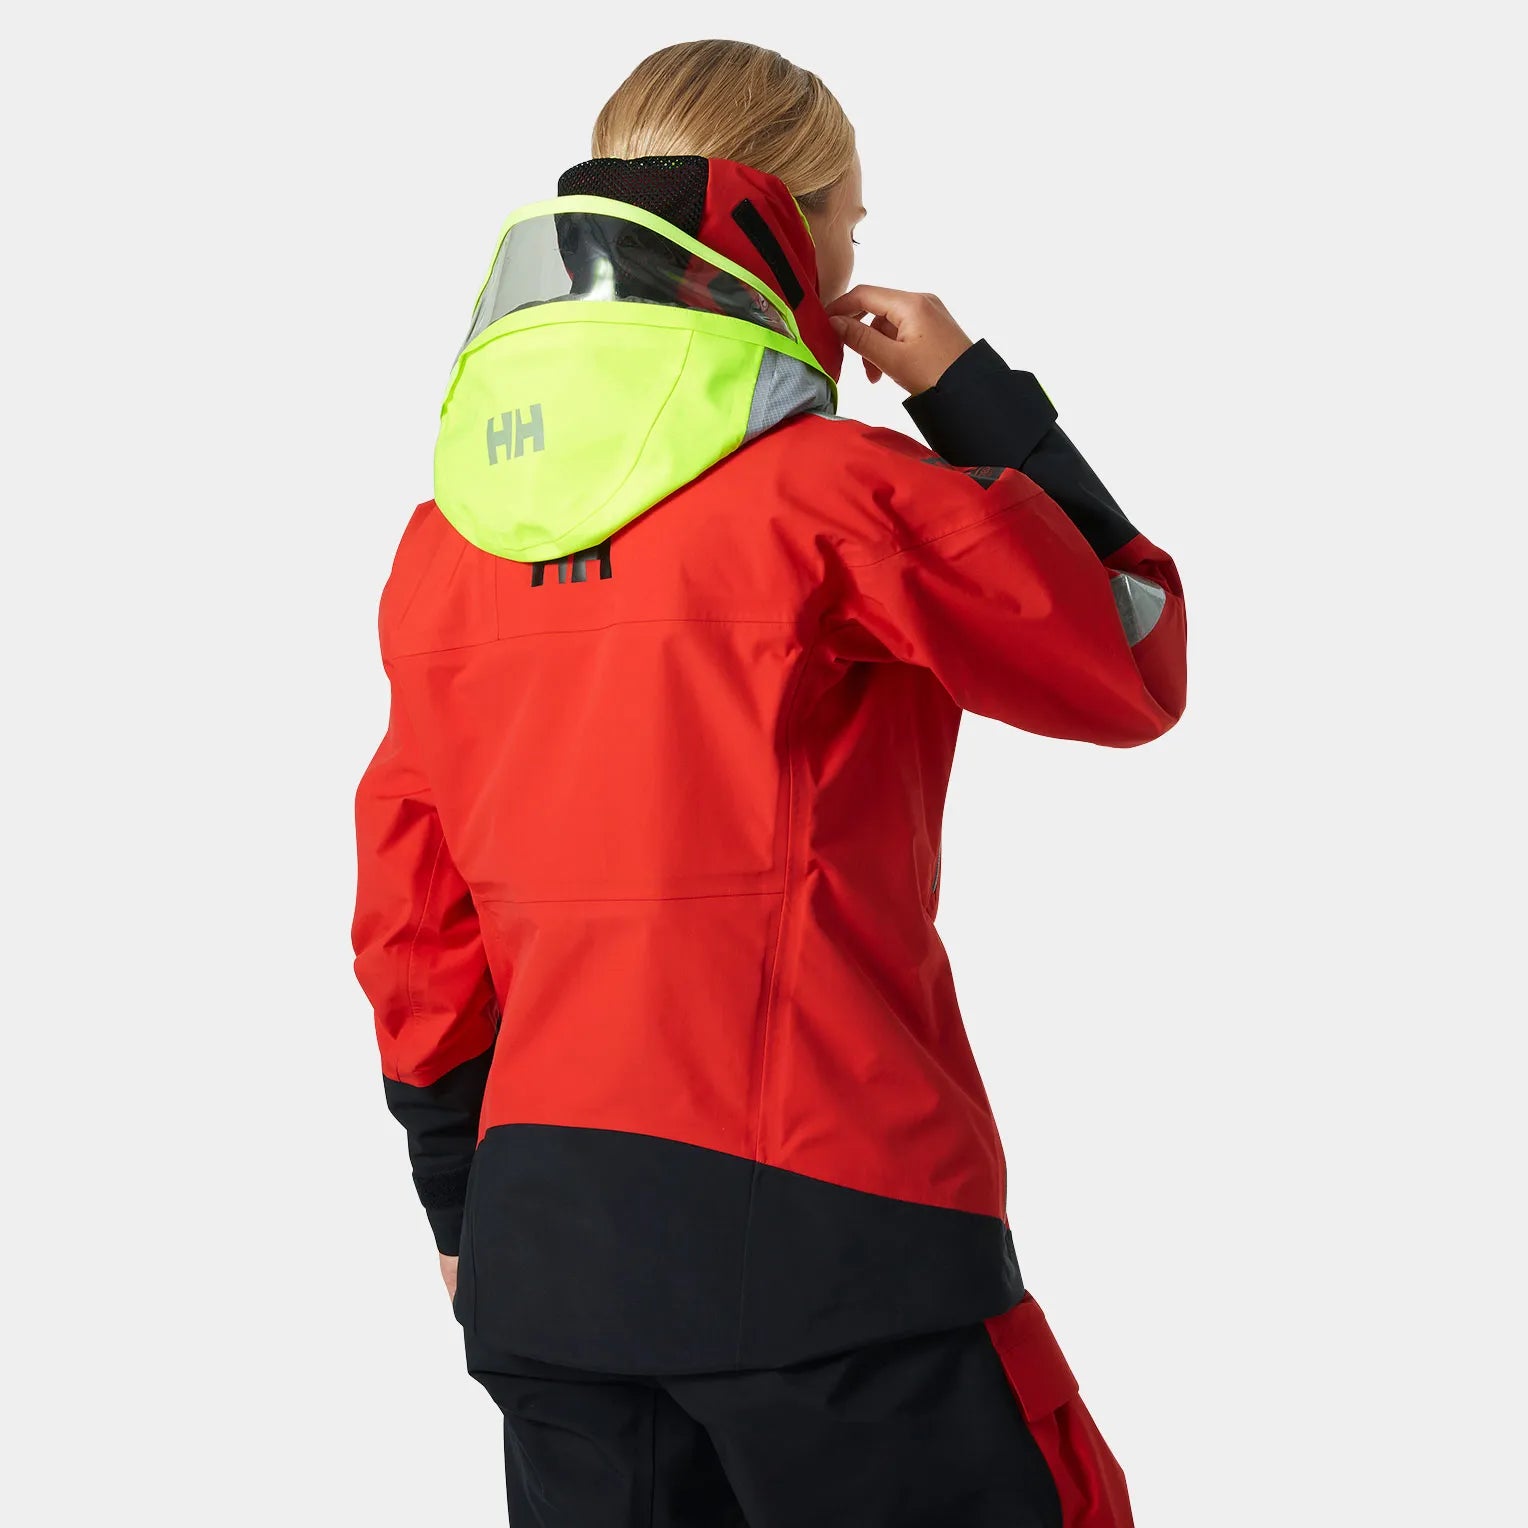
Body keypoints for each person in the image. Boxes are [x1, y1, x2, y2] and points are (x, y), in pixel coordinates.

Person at [352, 37, 1185, 1528]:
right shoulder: (835, 496)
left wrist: (462, 1203)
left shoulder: (444, 546)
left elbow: (411, 917)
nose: (858, 253)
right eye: (851, 222)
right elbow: (1129, 657)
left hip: (547, 1259)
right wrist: (972, 396)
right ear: (790, 241)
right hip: (833, 1223)